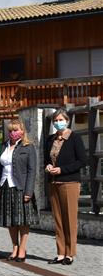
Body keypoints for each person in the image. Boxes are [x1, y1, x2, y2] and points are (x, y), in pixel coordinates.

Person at [45, 108, 86, 265]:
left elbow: (82, 161)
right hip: (54, 182)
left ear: (67, 121)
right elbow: (46, 159)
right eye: (55, 120)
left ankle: (70, 253)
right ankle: (61, 252)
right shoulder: (50, 139)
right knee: (58, 219)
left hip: (69, 182)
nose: (58, 123)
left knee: (69, 218)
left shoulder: (74, 138)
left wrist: (63, 169)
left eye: (61, 120)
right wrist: (48, 166)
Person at [0, 119, 37, 263]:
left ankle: (22, 248)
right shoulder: (3, 146)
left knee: (23, 220)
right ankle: (14, 247)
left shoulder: (28, 147)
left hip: (21, 187)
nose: (13, 133)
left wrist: (29, 191)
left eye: (16, 130)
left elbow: (32, 171)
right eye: (11, 130)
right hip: (5, 185)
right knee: (10, 220)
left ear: (22, 131)